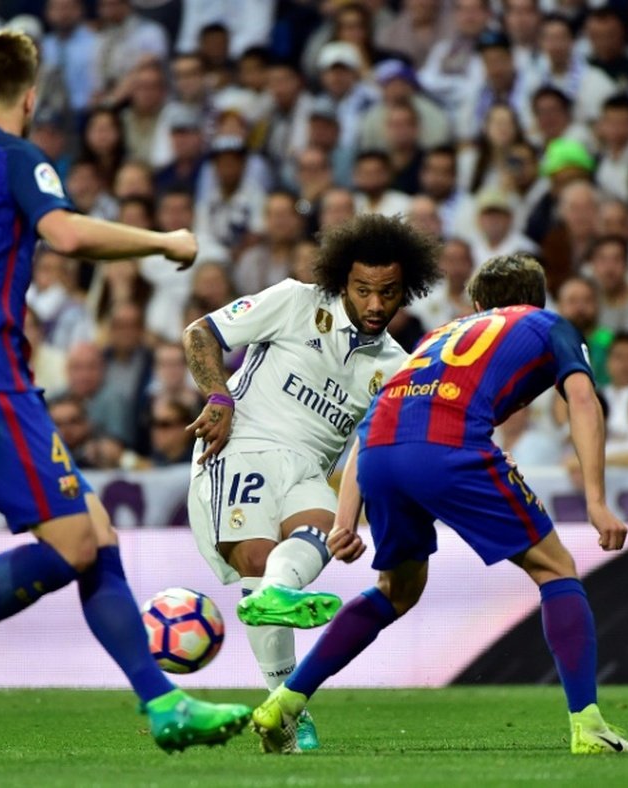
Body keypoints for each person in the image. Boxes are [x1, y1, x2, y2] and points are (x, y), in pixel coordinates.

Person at [0, 29, 249, 752]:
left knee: (97, 537)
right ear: (30, 98)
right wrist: (165, 241)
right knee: (70, 546)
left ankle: (163, 706)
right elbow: (68, 234)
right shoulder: (15, 157)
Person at [251, 253, 628, 756]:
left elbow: (373, 418)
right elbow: (584, 401)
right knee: (556, 567)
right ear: (537, 300)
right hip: (449, 447)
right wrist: (596, 500)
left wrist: (344, 520)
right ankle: (589, 727)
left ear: (478, 304)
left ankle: (283, 702)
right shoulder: (548, 323)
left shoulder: (436, 336)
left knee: (396, 589)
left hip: (378, 456)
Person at [183, 213, 441, 750]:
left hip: (311, 469)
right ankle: (290, 709)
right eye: (363, 290)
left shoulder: (398, 367)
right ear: (340, 281)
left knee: (320, 532)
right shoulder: (296, 301)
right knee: (255, 557)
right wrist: (217, 395)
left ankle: (279, 657)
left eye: (388, 293)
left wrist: (353, 519)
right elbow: (201, 333)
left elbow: (373, 447)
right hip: (242, 441)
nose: (375, 305)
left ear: (406, 291)